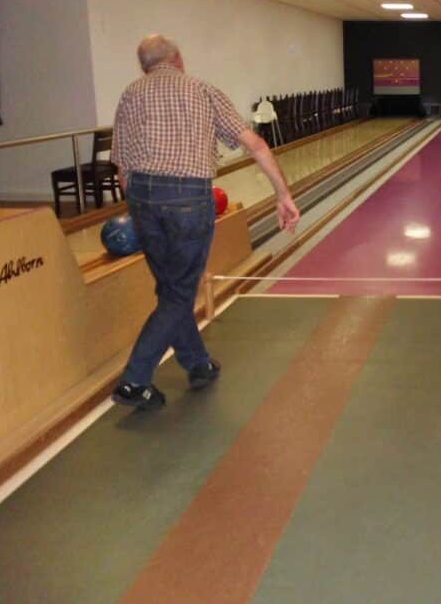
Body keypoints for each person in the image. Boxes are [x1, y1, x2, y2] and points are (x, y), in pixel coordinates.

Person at [110, 35, 300, 412]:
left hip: (142, 196)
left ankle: (197, 364)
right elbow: (256, 144)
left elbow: (122, 167)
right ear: (179, 59)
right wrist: (283, 195)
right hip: (187, 197)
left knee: (170, 287)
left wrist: (139, 207)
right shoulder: (202, 90)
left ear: (143, 66)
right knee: (180, 292)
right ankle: (134, 380)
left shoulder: (131, 93)